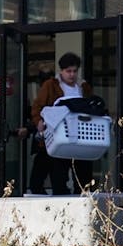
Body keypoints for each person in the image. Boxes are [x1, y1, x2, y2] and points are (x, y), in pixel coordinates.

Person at [28, 52, 95, 195]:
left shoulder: (83, 88)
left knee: (82, 177)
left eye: (74, 71)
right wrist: (39, 122)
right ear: (61, 71)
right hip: (58, 137)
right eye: (68, 71)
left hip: (79, 138)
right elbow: (37, 106)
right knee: (58, 176)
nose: (71, 75)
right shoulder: (51, 86)